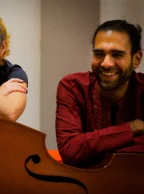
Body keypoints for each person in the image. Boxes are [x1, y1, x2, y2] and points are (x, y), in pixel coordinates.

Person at [56, 19, 144, 168]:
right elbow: (70, 150)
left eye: (117, 54)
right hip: (83, 186)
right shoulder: (72, 86)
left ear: (136, 59)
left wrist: (90, 146)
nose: (106, 63)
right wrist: (130, 129)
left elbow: (77, 149)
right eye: (99, 54)